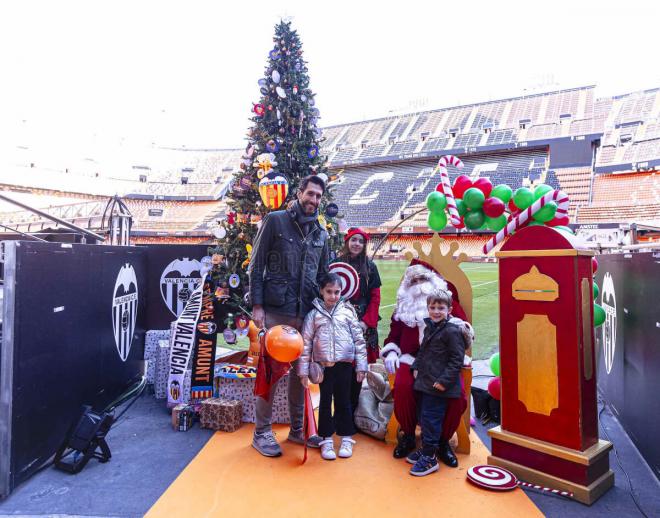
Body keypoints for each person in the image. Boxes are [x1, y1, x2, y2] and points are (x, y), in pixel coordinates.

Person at [248, 175, 329, 457]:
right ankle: (261, 433)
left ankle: (298, 431)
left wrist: (328, 310)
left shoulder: (321, 233)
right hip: (275, 312)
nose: (314, 200)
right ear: (299, 193)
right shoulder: (275, 221)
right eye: (310, 194)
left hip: (306, 314)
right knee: (269, 375)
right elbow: (256, 266)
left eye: (318, 196)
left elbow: (323, 276)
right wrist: (257, 306)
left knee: (300, 375)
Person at [381, 259, 473, 465]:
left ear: (433, 281)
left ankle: (442, 441)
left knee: (456, 396)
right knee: (403, 388)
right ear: (407, 285)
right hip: (411, 359)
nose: (419, 284)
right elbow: (392, 338)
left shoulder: (448, 304)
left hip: (444, 362)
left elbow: (464, 333)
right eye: (414, 280)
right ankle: (408, 435)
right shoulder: (402, 309)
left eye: (423, 278)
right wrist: (393, 352)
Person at [298, 273, 367, 460]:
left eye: (337, 292)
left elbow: (359, 341)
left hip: (344, 366)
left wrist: (361, 366)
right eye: (329, 291)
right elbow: (305, 344)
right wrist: (303, 371)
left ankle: (346, 437)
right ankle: (326, 439)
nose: (333, 296)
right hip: (323, 367)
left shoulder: (347, 312)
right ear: (321, 291)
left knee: (344, 401)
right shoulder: (313, 315)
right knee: (325, 403)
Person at [407, 289, 465, 476]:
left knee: (432, 420)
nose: (436, 311)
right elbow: (423, 351)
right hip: (426, 382)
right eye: (433, 307)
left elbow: (457, 359)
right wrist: (415, 366)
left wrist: (444, 381)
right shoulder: (431, 327)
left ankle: (430, 458)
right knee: (423, 418)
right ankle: (425, 449)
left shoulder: (452, 331)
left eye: (441, 307)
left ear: (449, 309)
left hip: (438, 386)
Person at [332, 227, 382, 418]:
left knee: (357, 371)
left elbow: (375, 298)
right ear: (347, 242)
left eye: (361, 241)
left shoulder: (370, 267)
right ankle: (339, 413)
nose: (357, 244)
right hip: (339, 322)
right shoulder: (335, 264)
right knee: (339, 369)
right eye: (354, 240)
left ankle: (351, 413)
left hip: (363, 324)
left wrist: (366, 323)